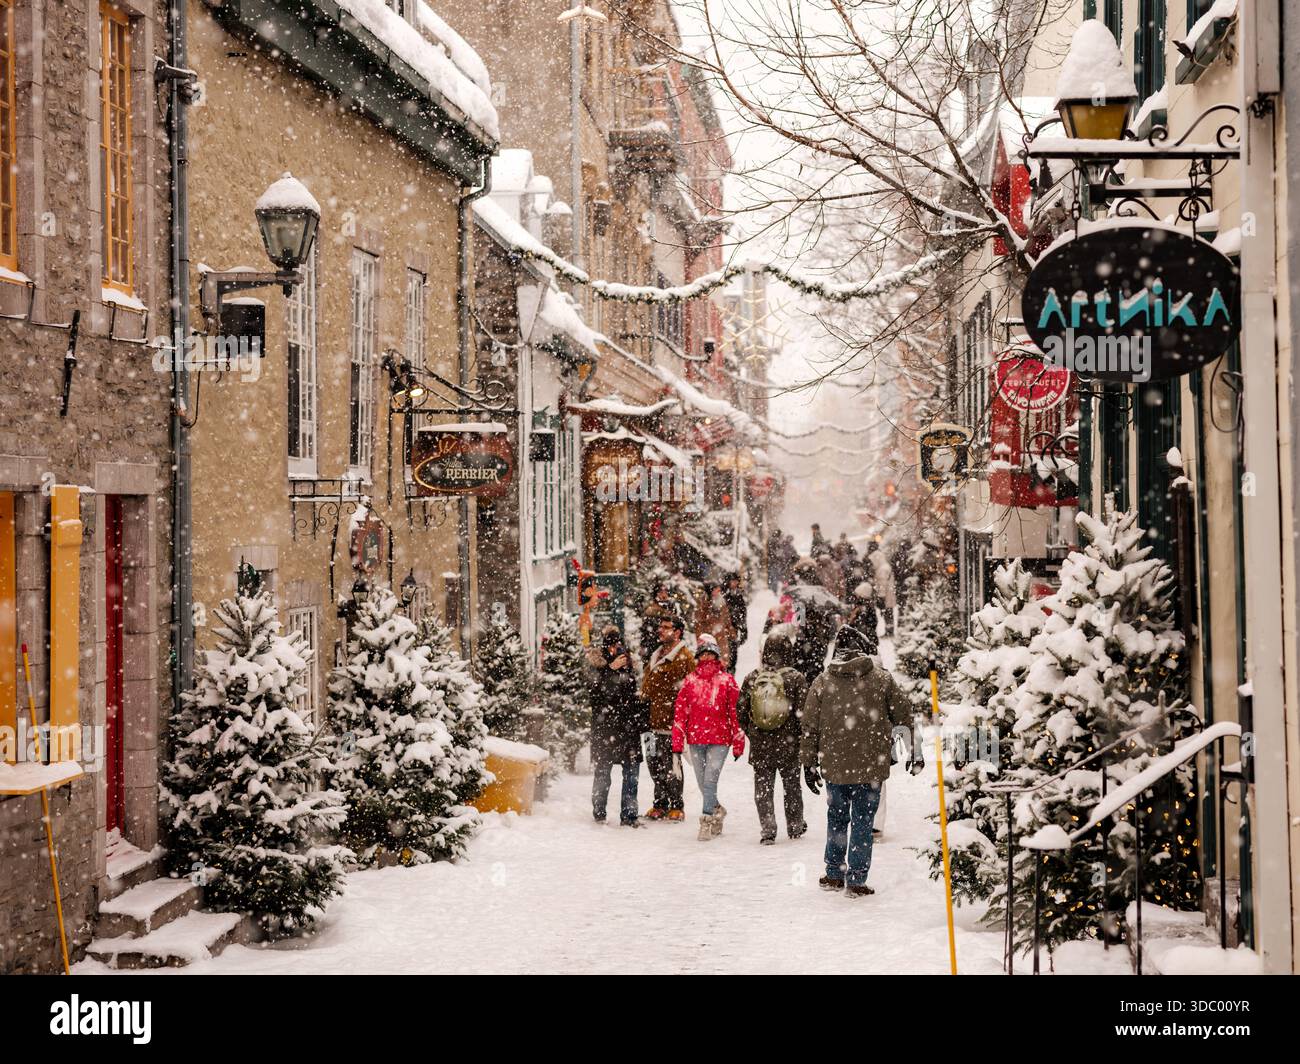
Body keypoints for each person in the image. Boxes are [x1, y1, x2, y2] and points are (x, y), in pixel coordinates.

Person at [801, 624, 923, 896]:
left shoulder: (822, 681)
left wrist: (808, 763)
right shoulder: (882, 679)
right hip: (871, 765)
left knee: (837, 818)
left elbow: (810, 726)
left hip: (833, 764)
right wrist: (914, 750)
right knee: (863, 822)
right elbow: (904, 716)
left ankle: (834, 873)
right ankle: (856, 879)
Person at [671, 633, 744, 841]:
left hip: (720, 740)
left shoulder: (727, 681)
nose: (707, 658)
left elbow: (735, 713)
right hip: (696, 739)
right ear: (698, 657)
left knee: (710, 779)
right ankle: (717, 809)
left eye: (711, 654)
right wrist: (677, 743)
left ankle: (706, 820)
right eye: (703, 655)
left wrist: (738, 740)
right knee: (703, 782)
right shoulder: (690, 681)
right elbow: (680, 714)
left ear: (717, 657)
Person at [737, 631, 808, 845]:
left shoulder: (752, 677)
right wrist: (797, 736)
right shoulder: (795, 678)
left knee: (763, 788)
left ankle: (768, 830)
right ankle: (795, 826)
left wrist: (753, 732)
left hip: (761, 744)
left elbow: (741, 711)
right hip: (789, 744)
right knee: (792, 786)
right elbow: (803, 713)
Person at [585, 627, 646, 827]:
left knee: (631, 774)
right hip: (606, 729)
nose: (616, 649)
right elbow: (596, 697)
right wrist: (609, 670)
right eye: (611, 646)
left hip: (628, 728)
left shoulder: (628, 666)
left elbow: (633, 696)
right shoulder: (597, 668)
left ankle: (629, 815)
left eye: (618, 645)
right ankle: (599, 812)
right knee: (603, 772)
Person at [640, 615, 695, 821]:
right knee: (653, 762)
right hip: (649, 722)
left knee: (671, 764)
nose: (660, 630)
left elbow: (690, 690)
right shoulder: (656, 655)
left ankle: (676, 805)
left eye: (666, 627)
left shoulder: (684, 657)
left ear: (678, 632)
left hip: (669, 722)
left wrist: (684, 720)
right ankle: (659, 803)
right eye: (660, 626)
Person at [789, 557, 840, 682]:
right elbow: (827, 609)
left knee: (801, 664)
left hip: (807, 632)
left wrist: (802, 623)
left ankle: (804, 689)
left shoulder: (799, 587)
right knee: (816, 665)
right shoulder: (819, 584)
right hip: (819, 631)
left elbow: (799, 612)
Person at [694, 582, 736, 670]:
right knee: (707, 663)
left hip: (721, 637)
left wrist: (731, 631)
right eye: (716, 589)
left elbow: (726, 618)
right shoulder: (703, 602)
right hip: (708, 637)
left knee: (723, 663)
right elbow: (699, 620)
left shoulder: (721, 601)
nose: (719, 590)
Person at [868, 542, 897, 635]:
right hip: (889, 594)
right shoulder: (885, 566)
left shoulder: (882, 570)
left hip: (886, 595)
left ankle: (889, 631)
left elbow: (882, 584)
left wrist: (881, 596)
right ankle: (889, 630)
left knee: (887, 613)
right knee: (889, 613)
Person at [723, 573, 748, 672]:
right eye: (732, 581)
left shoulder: (738, 595)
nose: (734, 583)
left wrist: (743, 630)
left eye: (736, 581)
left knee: (733, 658)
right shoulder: (724, 594)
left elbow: (743, 613)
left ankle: (730, 678)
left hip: (734, 630)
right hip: (723, 630)